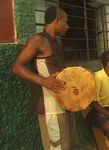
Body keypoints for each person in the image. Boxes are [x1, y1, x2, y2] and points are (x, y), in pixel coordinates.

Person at [12, 6, 78, 150]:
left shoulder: (54, 42)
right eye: (65, 22)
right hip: (51, 108)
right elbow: (17, 67)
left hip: (62, 104)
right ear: (57, 21)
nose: (67, 26)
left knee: (64, 146)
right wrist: (43, 81)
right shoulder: (38, 40)